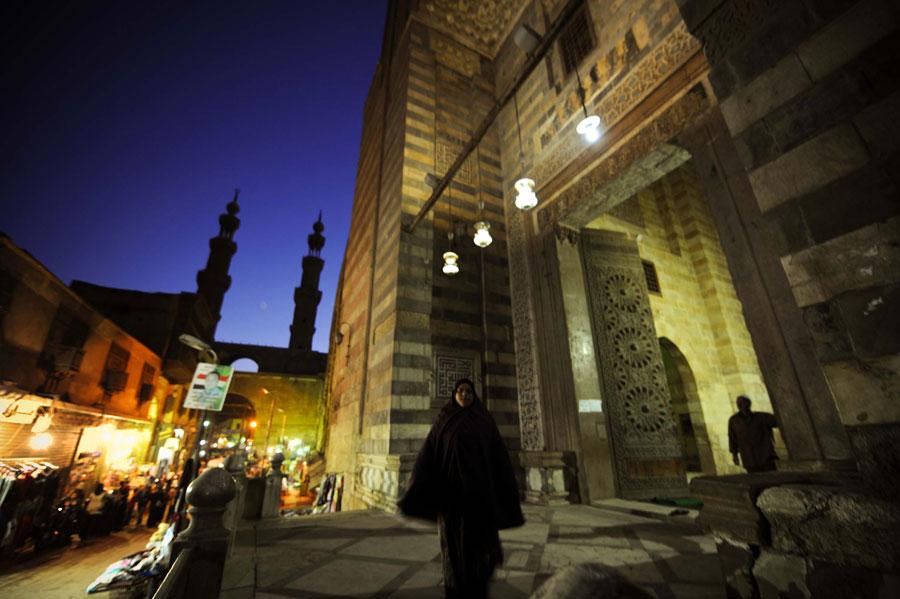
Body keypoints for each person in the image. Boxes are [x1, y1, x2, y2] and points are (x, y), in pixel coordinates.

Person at [398, 378, 524, 599]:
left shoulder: (484, 420)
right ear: (454, 394)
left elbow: (499, 457)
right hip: (452, 501)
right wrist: (416, 491)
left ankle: (478, 589)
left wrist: (505, 492)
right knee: (454, 552)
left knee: (481, 551)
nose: (464, 395)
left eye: (468, 392)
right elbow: (427, 456)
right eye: (460, 391)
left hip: (480, 498)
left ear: (474, 395)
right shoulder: (444, 420)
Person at [728, 395, 779, 472]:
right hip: (749, 458)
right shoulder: (734, 421)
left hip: (766, 456)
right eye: (739, 403)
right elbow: (732, 438)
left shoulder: (761, 417)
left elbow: (779, 421)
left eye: (743, 402)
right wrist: (734, 455)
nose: (741, 405)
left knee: (772, 477)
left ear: (749, 404)